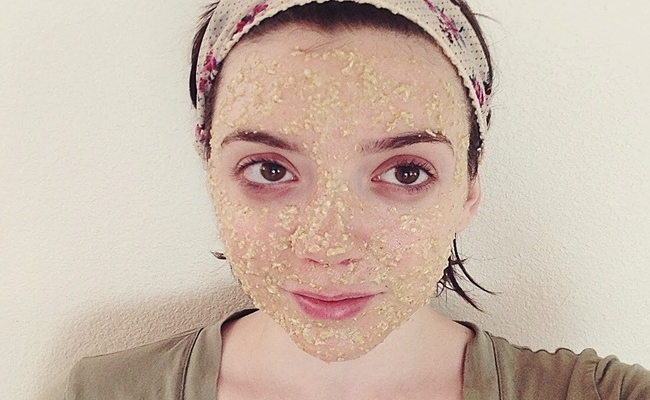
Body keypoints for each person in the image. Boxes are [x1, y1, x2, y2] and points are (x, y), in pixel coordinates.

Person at [38, 0, 650, 399]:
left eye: (405, 173)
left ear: (469, 188)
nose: (329, 247)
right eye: (270, 169)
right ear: (213, 179)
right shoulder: (99, 393)